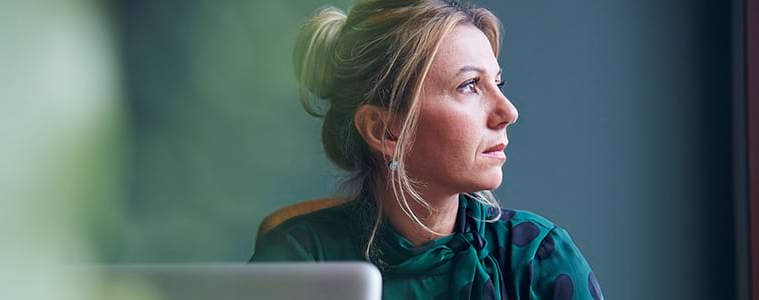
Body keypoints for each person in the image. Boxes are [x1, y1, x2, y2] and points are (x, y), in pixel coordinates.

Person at [250, 0, 604, 299]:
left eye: (498, 83)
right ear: (385, 130)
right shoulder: (301, 259)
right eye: (469, 86)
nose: (508, 112)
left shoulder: (537, 258)